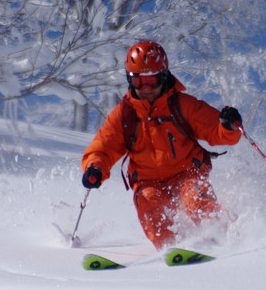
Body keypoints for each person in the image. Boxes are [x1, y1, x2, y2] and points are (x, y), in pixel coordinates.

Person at [80, 40, 242, 249]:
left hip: (187, 174)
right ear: (130, 80)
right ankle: (171, 251)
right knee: (150, 207)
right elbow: (103, 148)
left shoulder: (183, 106)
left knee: (196, 201)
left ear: (164, 77)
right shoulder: (124, 115)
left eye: (152, 80)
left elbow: (218, 132)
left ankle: (230, 240)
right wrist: (95, 168)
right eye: (139, 81)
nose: (146, 88)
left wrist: (227, 126)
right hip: (148, 182)